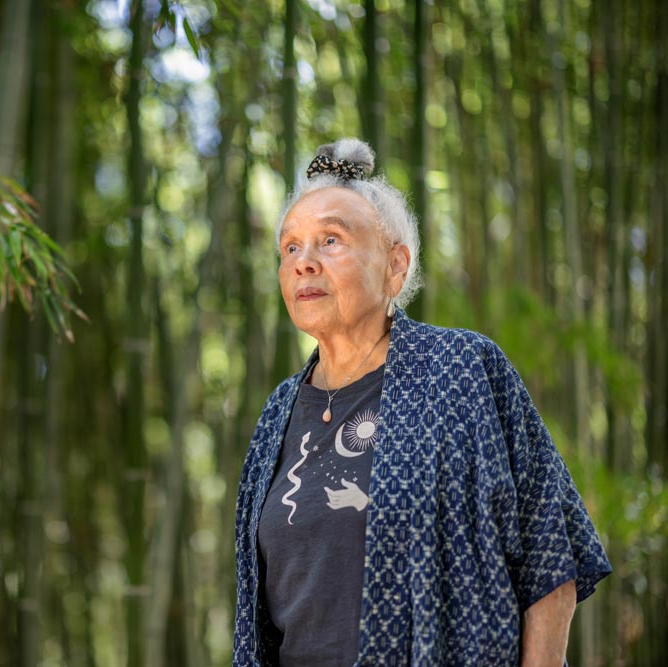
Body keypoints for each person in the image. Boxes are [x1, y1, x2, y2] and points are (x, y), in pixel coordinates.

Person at [232, 138, 611, 666]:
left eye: (331, 240)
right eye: (291, 247)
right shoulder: (278, 412)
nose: (304, 263)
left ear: (395, 267)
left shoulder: (460, 369)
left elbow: (551, 552)